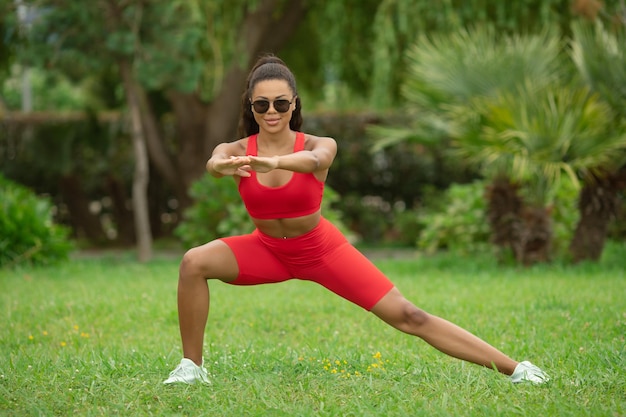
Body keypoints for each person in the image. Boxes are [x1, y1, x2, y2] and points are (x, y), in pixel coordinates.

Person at [163, 54, 549, 386]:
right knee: (194, 262)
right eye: (261, 105)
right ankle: (191, 366)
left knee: (409, 315)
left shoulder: (317, 144)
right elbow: (215, 164)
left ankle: (517, 369)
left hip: (319, 249)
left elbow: (316, 163)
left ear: (295, 104)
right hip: (266, 249)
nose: (272, 112)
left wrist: (274, 162)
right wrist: (222, 166)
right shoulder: (237, 150)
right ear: (250, 107)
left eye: (281, 104)